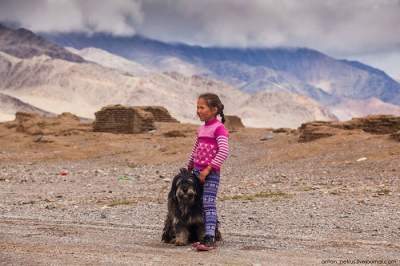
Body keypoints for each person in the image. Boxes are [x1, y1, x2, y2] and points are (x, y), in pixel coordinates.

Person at [187, 92, 229, 251]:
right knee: (200, 205)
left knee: (208, 204)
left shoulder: (219, 129)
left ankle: (210, 238)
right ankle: (205, 235)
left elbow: (223, 151)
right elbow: (196, 149)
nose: (198, 110)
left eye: (202, 107)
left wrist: (208, 169)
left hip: (210, 174)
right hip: (197, 172)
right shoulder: (201, 129)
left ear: (214, 109)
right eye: (197, 107)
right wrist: (189, 165)